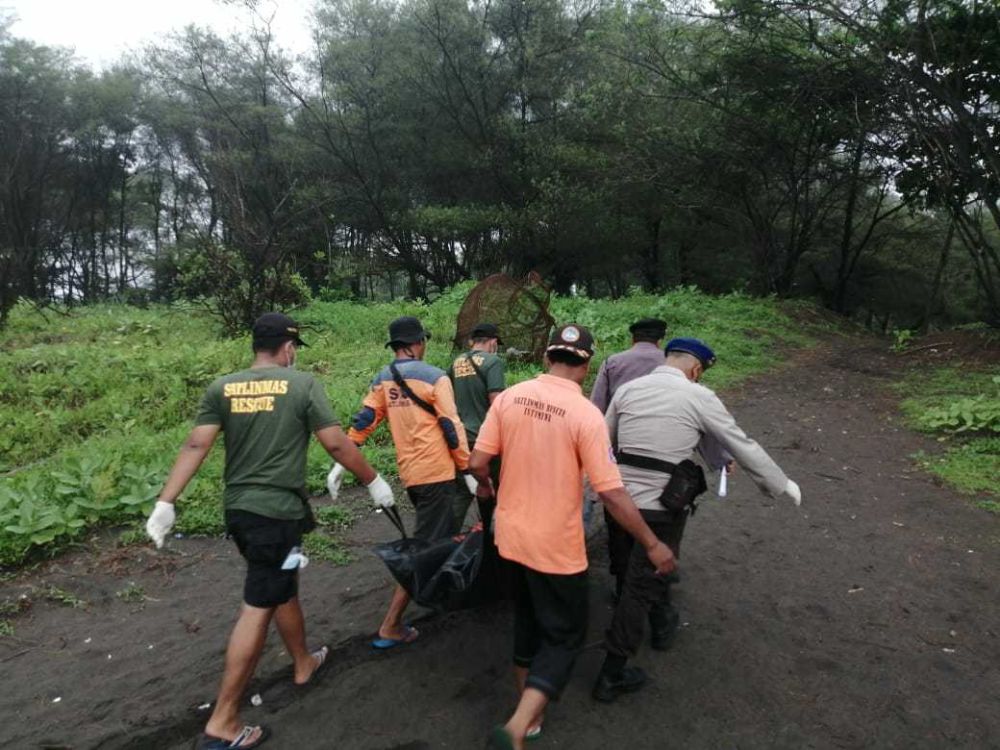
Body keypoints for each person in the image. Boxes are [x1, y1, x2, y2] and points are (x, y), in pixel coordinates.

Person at [144, 312, 395, 750]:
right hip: (275, 513)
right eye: (294, 348)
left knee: (281, 583)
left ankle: (302, 662)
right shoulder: (302, 385)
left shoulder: (222, 387)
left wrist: (166, 502)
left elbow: (196, 444)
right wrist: (373, 480)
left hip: (240, 511)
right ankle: (223, 721)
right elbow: (335, 442)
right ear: (287, 347)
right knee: (258, 604)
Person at [468, 324, 676, 750]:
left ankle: (533, 721)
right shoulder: (585, 415)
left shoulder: (510, 397)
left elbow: (477, 461)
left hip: (510, 537)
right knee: (564, 635)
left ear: (547, 357)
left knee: (527, 623)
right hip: (554, 546)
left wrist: (488, 488)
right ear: (587, 365)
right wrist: (652, 543)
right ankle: (516, 725)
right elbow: (611, 493)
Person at [593, 337, 802, 703]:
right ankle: (612, 671)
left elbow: (602, 440)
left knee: (632, 570)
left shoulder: (627, 390)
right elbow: (739, 441)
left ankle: (661, 620)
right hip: (661, 509)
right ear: (695, 369)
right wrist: (778, 483)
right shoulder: (699, 396)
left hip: (618, 502)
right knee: (640, 584)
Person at [333, 315, 474, 648]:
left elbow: (366, 418)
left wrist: (345, 456)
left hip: (411, 475)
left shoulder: (384, 378)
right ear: (415, 344)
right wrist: (467, 470)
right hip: (437, 473)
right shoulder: (436, 377)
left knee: (443, 531)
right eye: (422, 341)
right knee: (424, 547)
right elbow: (451, 427)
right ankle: (391, 623)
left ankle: (443, 589)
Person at [590, 318, 670, 605]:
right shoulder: (674, 366)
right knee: (662, 524)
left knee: (619, 519)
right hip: (667, 460)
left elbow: (597, 409)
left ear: (632, 339)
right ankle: (658, 602)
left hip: (622, 457)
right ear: (661, 340)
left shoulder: (614, 362)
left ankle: (623, 586)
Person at [447, 322, 506, 528]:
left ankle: (447, 537)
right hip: (485, 437)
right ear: (492, 342)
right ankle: (493, 532)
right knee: (497, 485)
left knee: (462, 491)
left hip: (460, 438)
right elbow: (496, 401)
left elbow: (448, 398)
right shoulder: (493, 362)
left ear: (473, 341)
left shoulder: (456, 362)